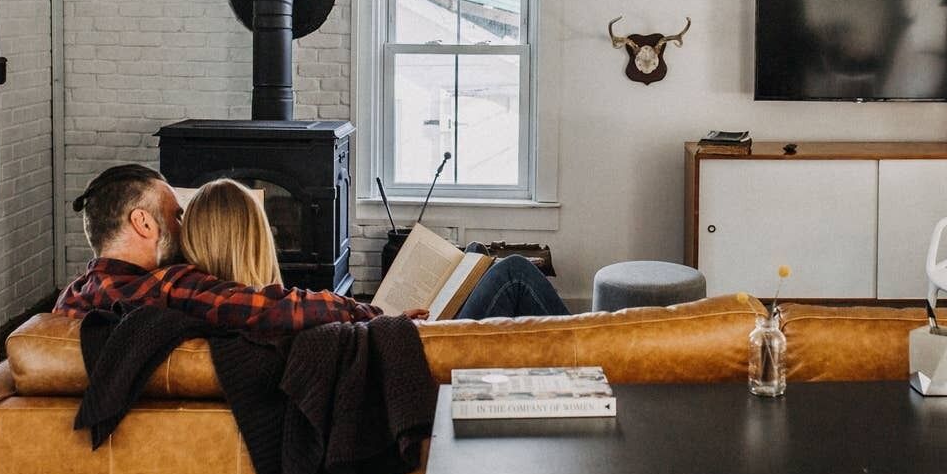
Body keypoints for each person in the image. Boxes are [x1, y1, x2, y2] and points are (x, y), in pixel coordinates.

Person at [54, 163, 569, 331]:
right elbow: (278, 305)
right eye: (174, 213)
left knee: (482, 260)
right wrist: (378, 317)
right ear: (141, 222)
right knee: (515, 273)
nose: (182, 221)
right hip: (404, 344)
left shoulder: (73, 299)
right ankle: (597, 359)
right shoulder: (169, 286)